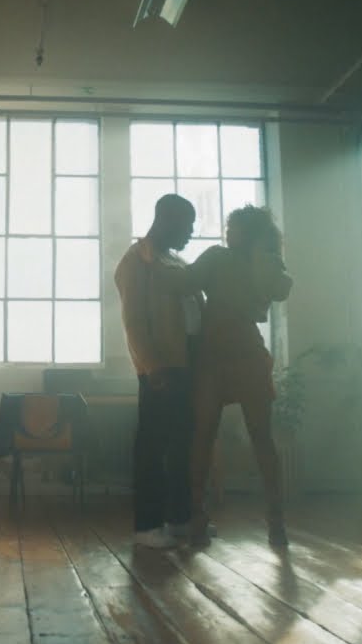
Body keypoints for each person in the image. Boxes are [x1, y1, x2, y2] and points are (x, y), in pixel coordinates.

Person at [152, 205, 294, 549]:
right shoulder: (231, 259)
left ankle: (220, 520)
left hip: (223, 354)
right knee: (242, 437)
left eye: (233, 227)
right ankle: (265, 523)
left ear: (248, 231)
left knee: (213, 437)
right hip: (229, 353)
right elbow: (185, 282)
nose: (227, 232)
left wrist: (152, 263)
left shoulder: (242, 260)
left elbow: (279, 289)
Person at [114, 194, 203, 548]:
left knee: (182, 444)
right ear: (166, 220)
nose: (191, 233)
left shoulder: (174, 262)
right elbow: (133, 321)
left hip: (187, 363)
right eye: (187, 225)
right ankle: (147, 527)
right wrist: (151, 366)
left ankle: (179, 519)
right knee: (153, 445)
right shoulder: (136, 262)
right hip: (161, 366)